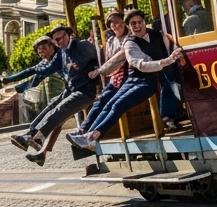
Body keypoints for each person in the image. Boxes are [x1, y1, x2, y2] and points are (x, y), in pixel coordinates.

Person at [70, 10, 183, 151]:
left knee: (118, 105)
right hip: (135, 78)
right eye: (133, 23)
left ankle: (91, 137)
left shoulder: (156, 35)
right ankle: (87, 136)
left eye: (139, 22)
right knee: (110, 103)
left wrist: (171, 57)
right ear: (128, 26)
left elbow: (170, 45)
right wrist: (165, 61)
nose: (137, 26)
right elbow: (141, 64)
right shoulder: (130, 43)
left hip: (149, 82)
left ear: (144, 22)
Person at [0, 23, 100, 166]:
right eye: (56, 40)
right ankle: (32, 137)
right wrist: (12, 82)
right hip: (70, 89)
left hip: (85, 91)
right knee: (52, 108)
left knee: (60, 111)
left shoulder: (79, 46)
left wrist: (96, 70)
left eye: (60, 39)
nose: (59, 42)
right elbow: (38, 72)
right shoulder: (61, 53)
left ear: (68, 35)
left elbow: (97, 57)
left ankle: (38, 140)